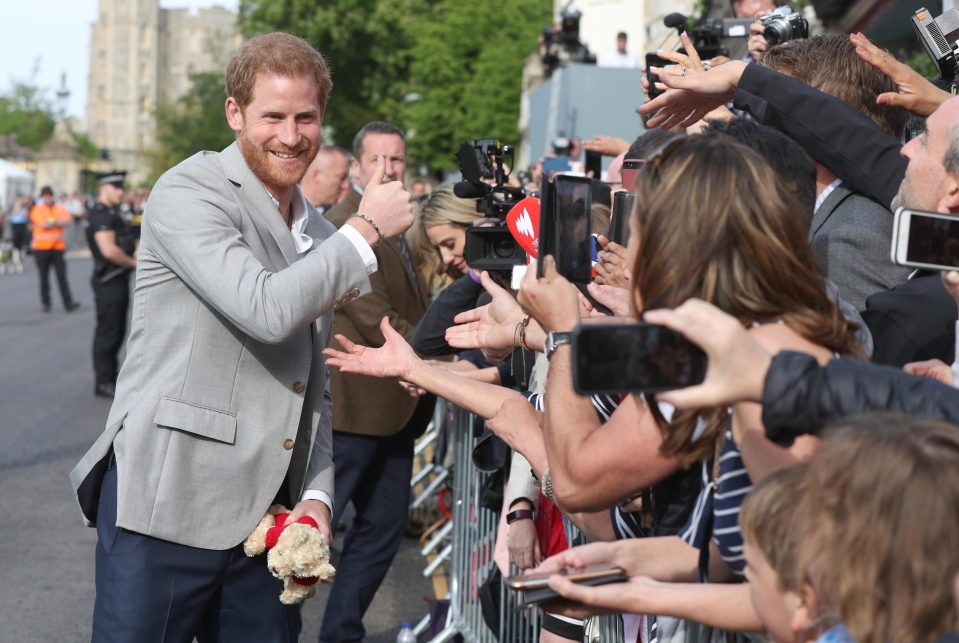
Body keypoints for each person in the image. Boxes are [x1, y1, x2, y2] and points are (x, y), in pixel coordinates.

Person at [68, 32, 413, 642]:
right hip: (168, 509)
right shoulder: (188, 191)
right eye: (272, 116)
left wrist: (317, 496)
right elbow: (265, 308)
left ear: (322, 118)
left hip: (267, 526)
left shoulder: (315, 231)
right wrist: (363, 234)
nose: (290, 134)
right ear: (235, 113)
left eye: (305, 117)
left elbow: (313, 383)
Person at [319, 120, 433, 643]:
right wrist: (442, 361)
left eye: (398, 160)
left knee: (380, 534)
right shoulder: (344, 225)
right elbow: (378, 319)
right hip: (354, 411)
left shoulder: (403, 224)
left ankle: (340, 633)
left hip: (398, 411)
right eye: (379, 160)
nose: (389, 169)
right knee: (311, 534)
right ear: (359, 167)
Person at [86, 171, 137, 399]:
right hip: (109, 279)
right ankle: (103, 381)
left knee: (116, 331)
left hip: (117, 278)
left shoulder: (112, 213)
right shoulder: (101, 216)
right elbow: (109, 250)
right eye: (116, 187)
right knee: (108, 331)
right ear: (104, 188)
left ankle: (109, 375)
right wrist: (134, 263)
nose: (120, 191)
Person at [30, 186, 79, 313]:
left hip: (57, 247)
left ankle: (68, 303)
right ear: (42, 197)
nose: (47, 198)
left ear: (52, 196)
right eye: (45, 196)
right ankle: (46, 302)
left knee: (62, 277)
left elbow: (67, 222)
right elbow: (43, 224)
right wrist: (57, 222)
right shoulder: (37, 209)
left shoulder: (59, 208)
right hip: (41, 248)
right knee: (44, 277)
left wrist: (53, 222)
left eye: (49, 195)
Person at [300, 145, 350, 214]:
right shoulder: (285, 211)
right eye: (341, 178)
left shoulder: (333, 215)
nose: (346, 186)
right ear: (316, 176)